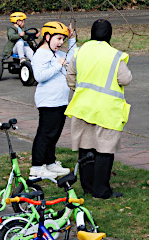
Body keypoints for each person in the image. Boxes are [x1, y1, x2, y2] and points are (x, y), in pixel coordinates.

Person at [65, 18, 132, 199]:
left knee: (86, 147)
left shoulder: (80, 52)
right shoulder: (115, 55)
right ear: (110, 35)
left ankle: (87, 187)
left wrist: (77, 88)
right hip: (106, 110)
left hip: (82, 107)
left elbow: (70, 75)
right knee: (104, 149)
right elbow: (125, 78)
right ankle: (101, 190)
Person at [29, 20, 76, 179]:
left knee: (54, 133)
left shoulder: (57, 53)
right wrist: (57, 65)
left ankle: (50, 162)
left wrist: (72, 39)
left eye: (63, 39)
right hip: (48, 101)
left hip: (60, 100)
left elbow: (73, 57)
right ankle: (36, 167)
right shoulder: (41, 54)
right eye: (58, 39)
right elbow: (39, 76)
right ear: (47, 37)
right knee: (45, 133)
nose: (61, 43)